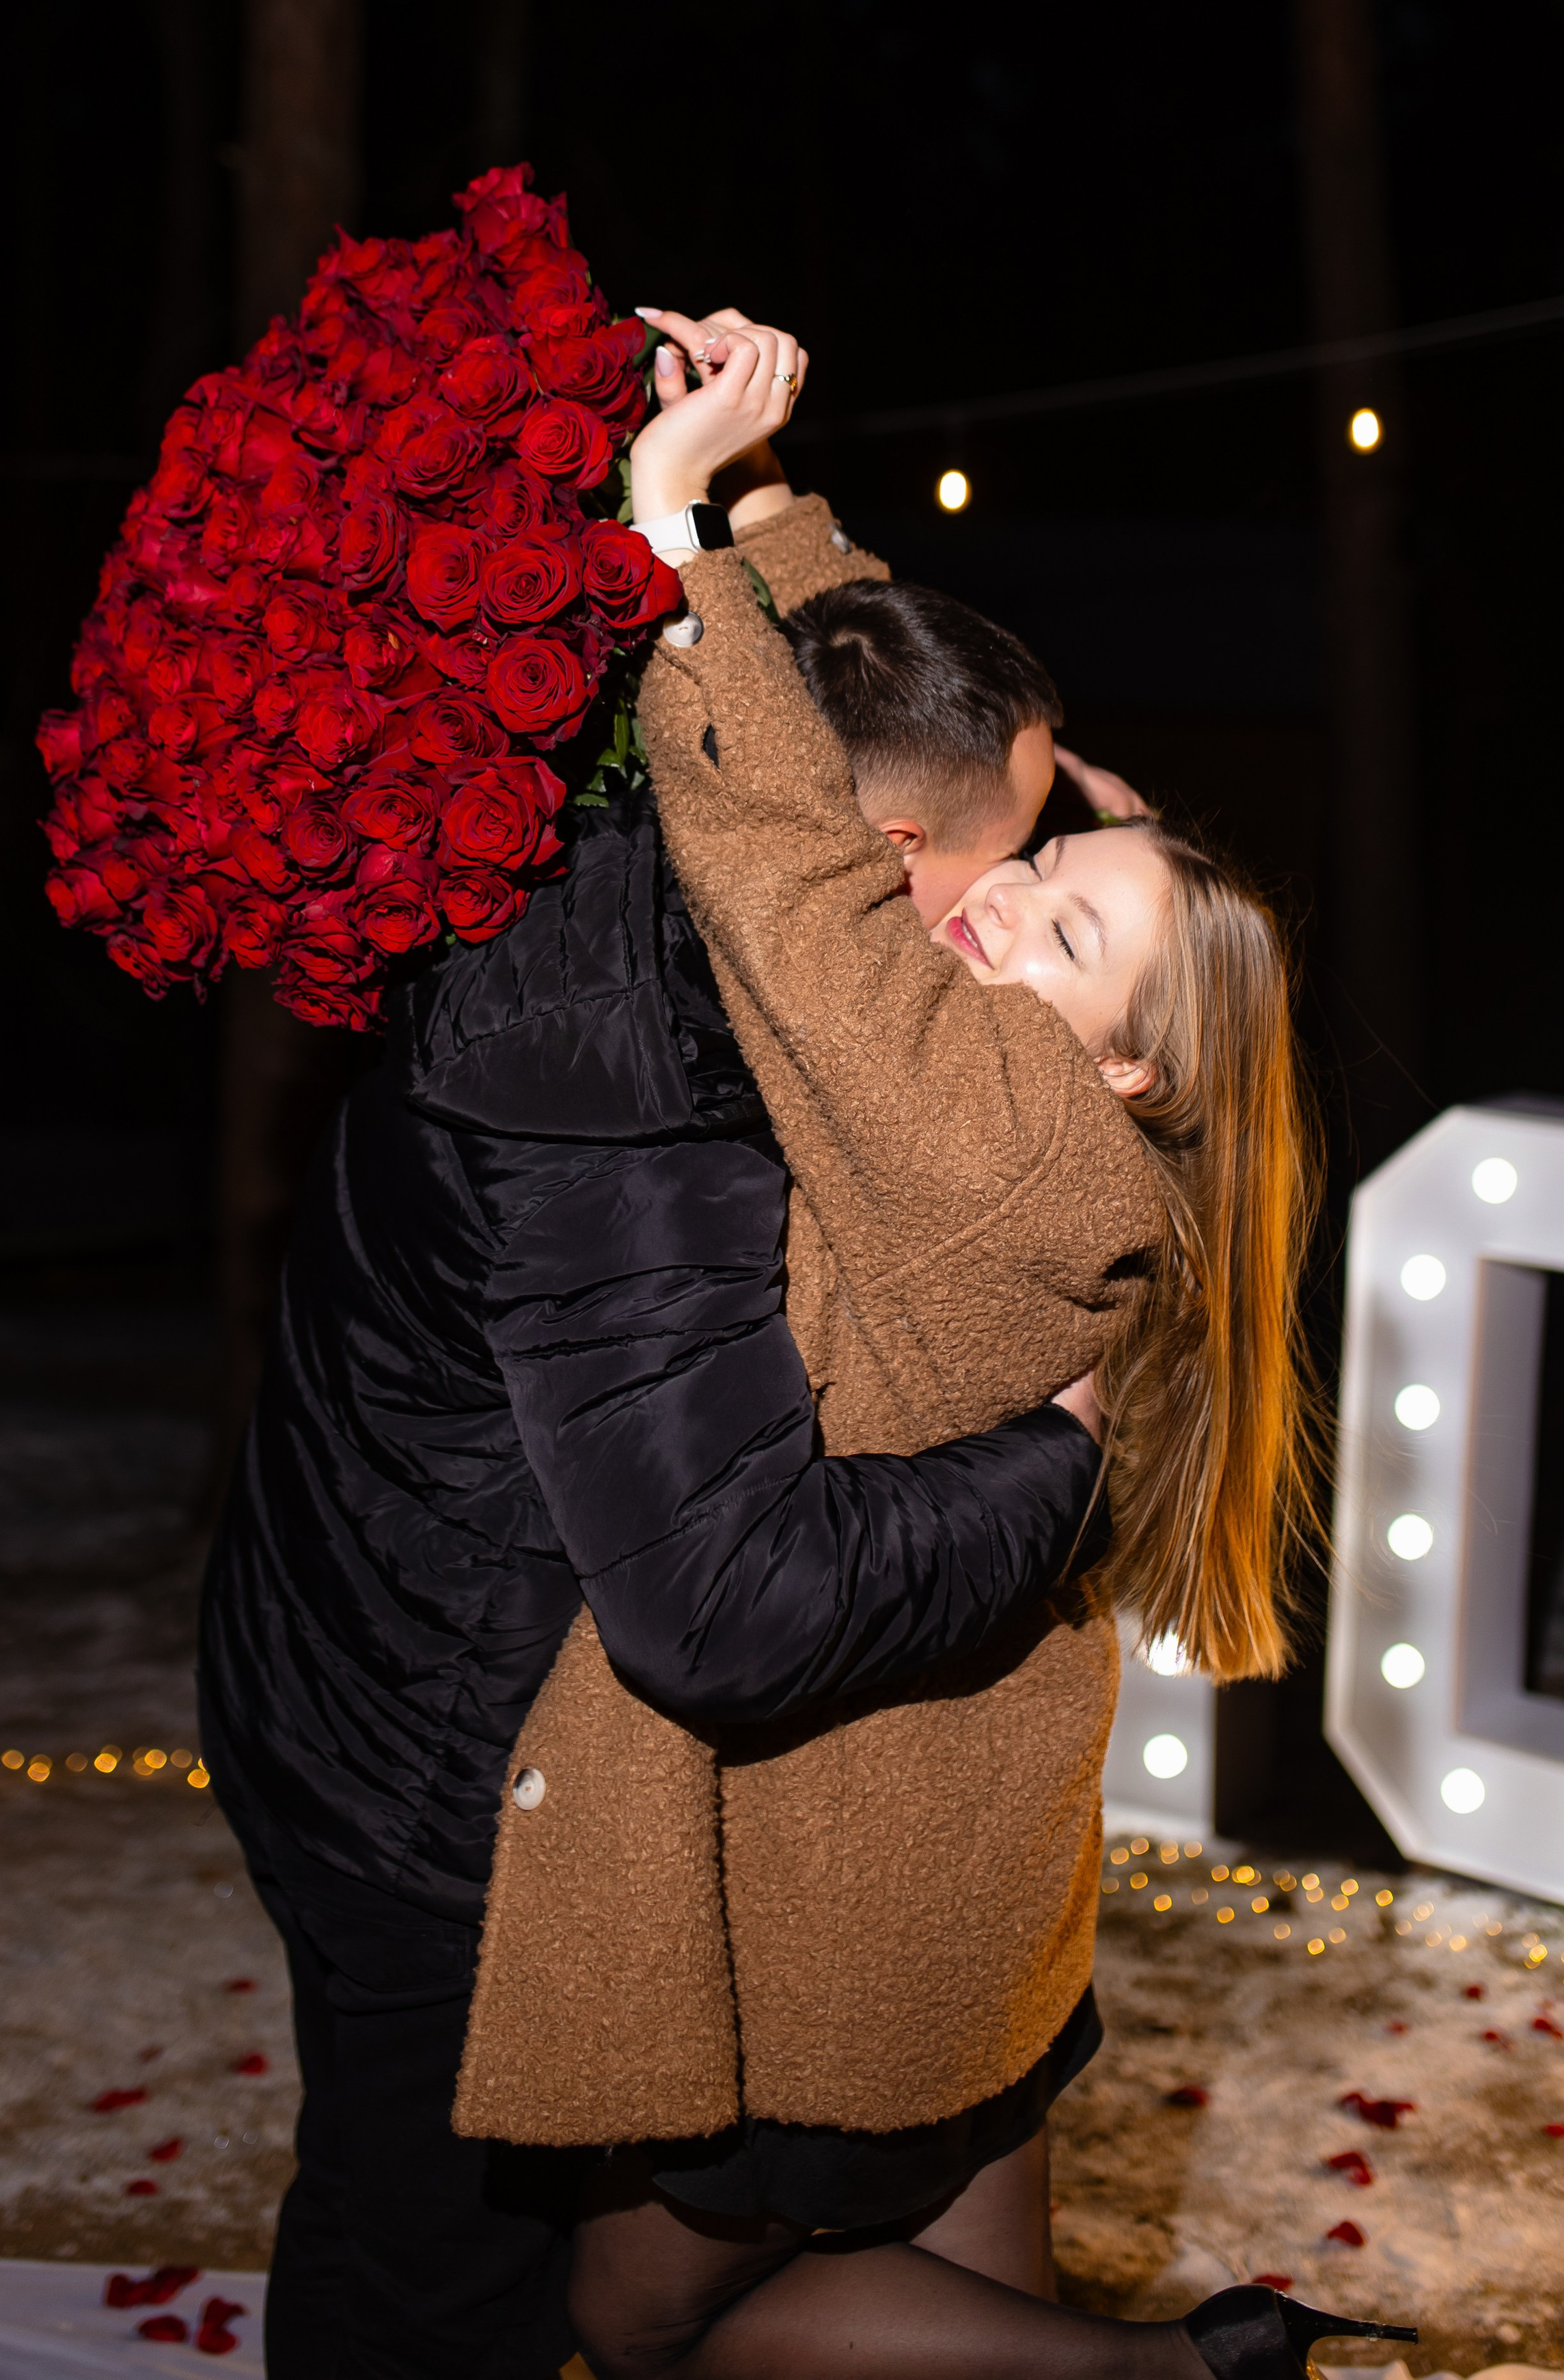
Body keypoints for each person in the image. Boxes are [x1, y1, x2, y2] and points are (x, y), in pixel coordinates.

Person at [196, 310, 1137, 2380]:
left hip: (391, 1622)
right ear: (892, 875)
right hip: (426, 1767)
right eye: (1019, 872)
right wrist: (1067, 1461)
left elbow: (851, 708)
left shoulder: (703, 799)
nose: (1016, 915)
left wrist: (745, 500)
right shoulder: (636, 1083)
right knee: (429, 2278)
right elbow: (726, 1598)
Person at [536, 327, 1413, 2380]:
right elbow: (927, 814)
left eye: (1070, 933)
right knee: (967, 2312)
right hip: (982, 1823)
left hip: (863, 1826)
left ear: (1129, 1067)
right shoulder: (1114, 1149)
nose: (1000, 912)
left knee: (647, 2314)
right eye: (1038, 877)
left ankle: (1187, 2370)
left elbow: (809, 877)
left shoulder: (1006, 1127)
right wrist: (787, 515)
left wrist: (678, 522)